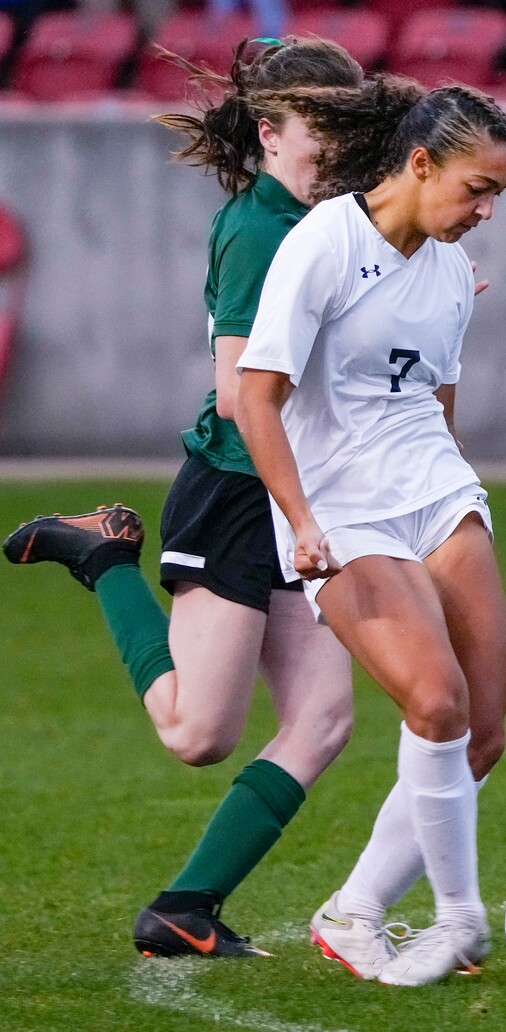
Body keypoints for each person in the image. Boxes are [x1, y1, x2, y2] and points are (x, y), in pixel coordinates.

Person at [3, 36, 369, 961]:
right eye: (324, 130)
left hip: (299, 496)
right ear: (270, 132)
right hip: (242, 493)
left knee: (325, 717)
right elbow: (244, 397)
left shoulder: (342, 218)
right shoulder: (258, 230)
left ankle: (183, 908)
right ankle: (102, 562)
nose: (340, 149)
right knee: (199, 733)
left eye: (351, 128)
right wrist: (302, 510)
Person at [236, 82, 506, 986]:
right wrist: (301, 520)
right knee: (435, 703)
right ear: (421, 163)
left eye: (497, 196)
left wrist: (457, 499)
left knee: (484, 728)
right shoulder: (325, 243)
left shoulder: (447, 273)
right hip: (341, 508)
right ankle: (459, 918)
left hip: (432, 488)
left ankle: (353, 911)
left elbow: (436, 405)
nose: (484, 211)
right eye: (477, 189)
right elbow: (255, 397)